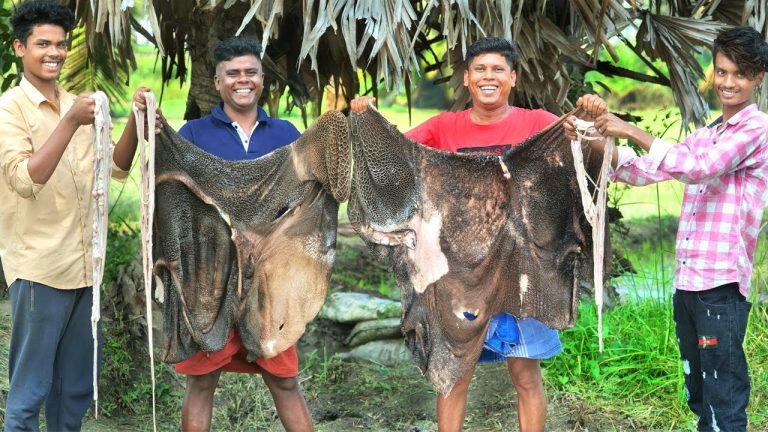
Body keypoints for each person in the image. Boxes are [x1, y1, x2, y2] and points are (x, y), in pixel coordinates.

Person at [351, 36, 562, 432]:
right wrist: (368, 120)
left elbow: (582, 141)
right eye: (480, 69)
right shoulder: (444, 127)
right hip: (460, 275)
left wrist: (591, 113)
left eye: (498, 69)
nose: (489, 76)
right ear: (466, 78)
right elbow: (395, 155)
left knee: (527, 377)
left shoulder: (537, 124)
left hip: (523, 272)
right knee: (453, 375)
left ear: (512, 78)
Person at [565, 25, 768, 432]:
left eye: (740, 75)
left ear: (759, 78)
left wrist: (630, 128)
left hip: (721, 285)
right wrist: (590, 135)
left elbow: (697, 169)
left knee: (723, 398)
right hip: (689, 283)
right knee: (698, 394)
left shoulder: (757, 130)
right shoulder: (708, 133)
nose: (728, 82)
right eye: (723, 71)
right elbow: (642, 169)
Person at [0, 0, 151, 430]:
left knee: (75, 391)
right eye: (42, 43)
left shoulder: (79, 103)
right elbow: (27, 180)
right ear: (19, 48)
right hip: (39, 269)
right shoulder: (9, 109)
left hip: (86, 268)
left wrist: (135, 122)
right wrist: (68, 123)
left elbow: (115, 169)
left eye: (61, 44)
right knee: (30, 392)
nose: (54, 52)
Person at [165, 37, 313, 432]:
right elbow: (180, 203)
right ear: (217, 82)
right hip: (210, 281)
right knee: (202, 380)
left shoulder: (285, 133)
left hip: (270, 282)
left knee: (284, 380)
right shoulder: (193, 134)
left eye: (250, 72)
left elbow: (302, 202)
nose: (242, 80)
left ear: (262, 79)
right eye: (232, 73)